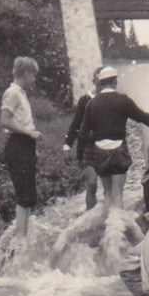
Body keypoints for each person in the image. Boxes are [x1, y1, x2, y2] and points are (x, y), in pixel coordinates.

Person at [78, 66, 149, 215]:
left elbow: (83, 133)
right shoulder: (123, 100)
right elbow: (143, 118)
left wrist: (80, 156)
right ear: (115, 81)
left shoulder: (92, 103)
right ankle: (117, 231)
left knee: (107, 192)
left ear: (100, 83)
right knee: (118, 193)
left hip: (100, 151)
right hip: (119, 149)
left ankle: (106, 225)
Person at [0, 57, 42, 242]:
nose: (34, 79)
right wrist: (29, 133)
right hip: (17, 144)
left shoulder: (21, 93)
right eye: (33, 75)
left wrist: (32, 145)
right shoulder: (12, 93)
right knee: (24, 194)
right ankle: (20, 238)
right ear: (25, 74)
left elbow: (22, 120)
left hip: (25, 145)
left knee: (29, 193)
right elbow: (5, 120)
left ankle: (24, 235)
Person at [62, 67, 102, 210]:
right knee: (92, 183)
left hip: (107, 147)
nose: (101, 84)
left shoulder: (111, 99)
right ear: (94, 81)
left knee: (110, 186)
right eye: (98, 81)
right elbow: (76, 122)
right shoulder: (85, 100)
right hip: (88, 146)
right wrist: (68, 143)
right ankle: (90, 214)